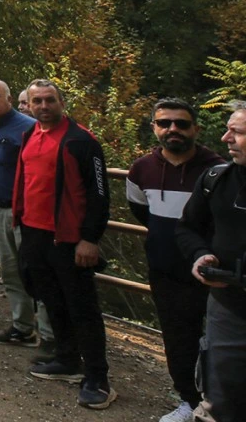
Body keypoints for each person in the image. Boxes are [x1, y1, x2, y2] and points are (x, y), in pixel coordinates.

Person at [14, 79, 115, 410]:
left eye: (49, 100)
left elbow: (100, 194)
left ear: (61, 102)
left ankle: (98, 378)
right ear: (28, 104)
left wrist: (90, 238)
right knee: (51, 300)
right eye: (37, 101)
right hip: (34, 232)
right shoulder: (30, 134)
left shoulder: (80, 140)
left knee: (82, 307)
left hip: (69, 238)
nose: (43, 106)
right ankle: (67, 359)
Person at [127, 99, 222, 422]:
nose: (173, 130)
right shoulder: (142, 169)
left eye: (181, 124)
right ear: (154, 127)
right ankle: (188, 401)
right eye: (164, 123)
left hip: (213, 272)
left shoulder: (218, 169)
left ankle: (221, 402)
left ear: (195, 128)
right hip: (165, 268)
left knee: (221, 340)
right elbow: (140, 210)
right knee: (177, 338)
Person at [177, 102, 246, 422]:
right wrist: (199, 256)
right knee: (222, 395)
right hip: (227, 308)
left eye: (238, 132)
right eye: (229, 129)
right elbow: (188, 227)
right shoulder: (216, 178)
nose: (225, 138)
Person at [0, 79, 54, 353]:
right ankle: (22, 326)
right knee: (10, 271)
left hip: (26, 212)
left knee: (35, 272)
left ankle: (49, 335)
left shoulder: (27, 128)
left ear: (8, 98)